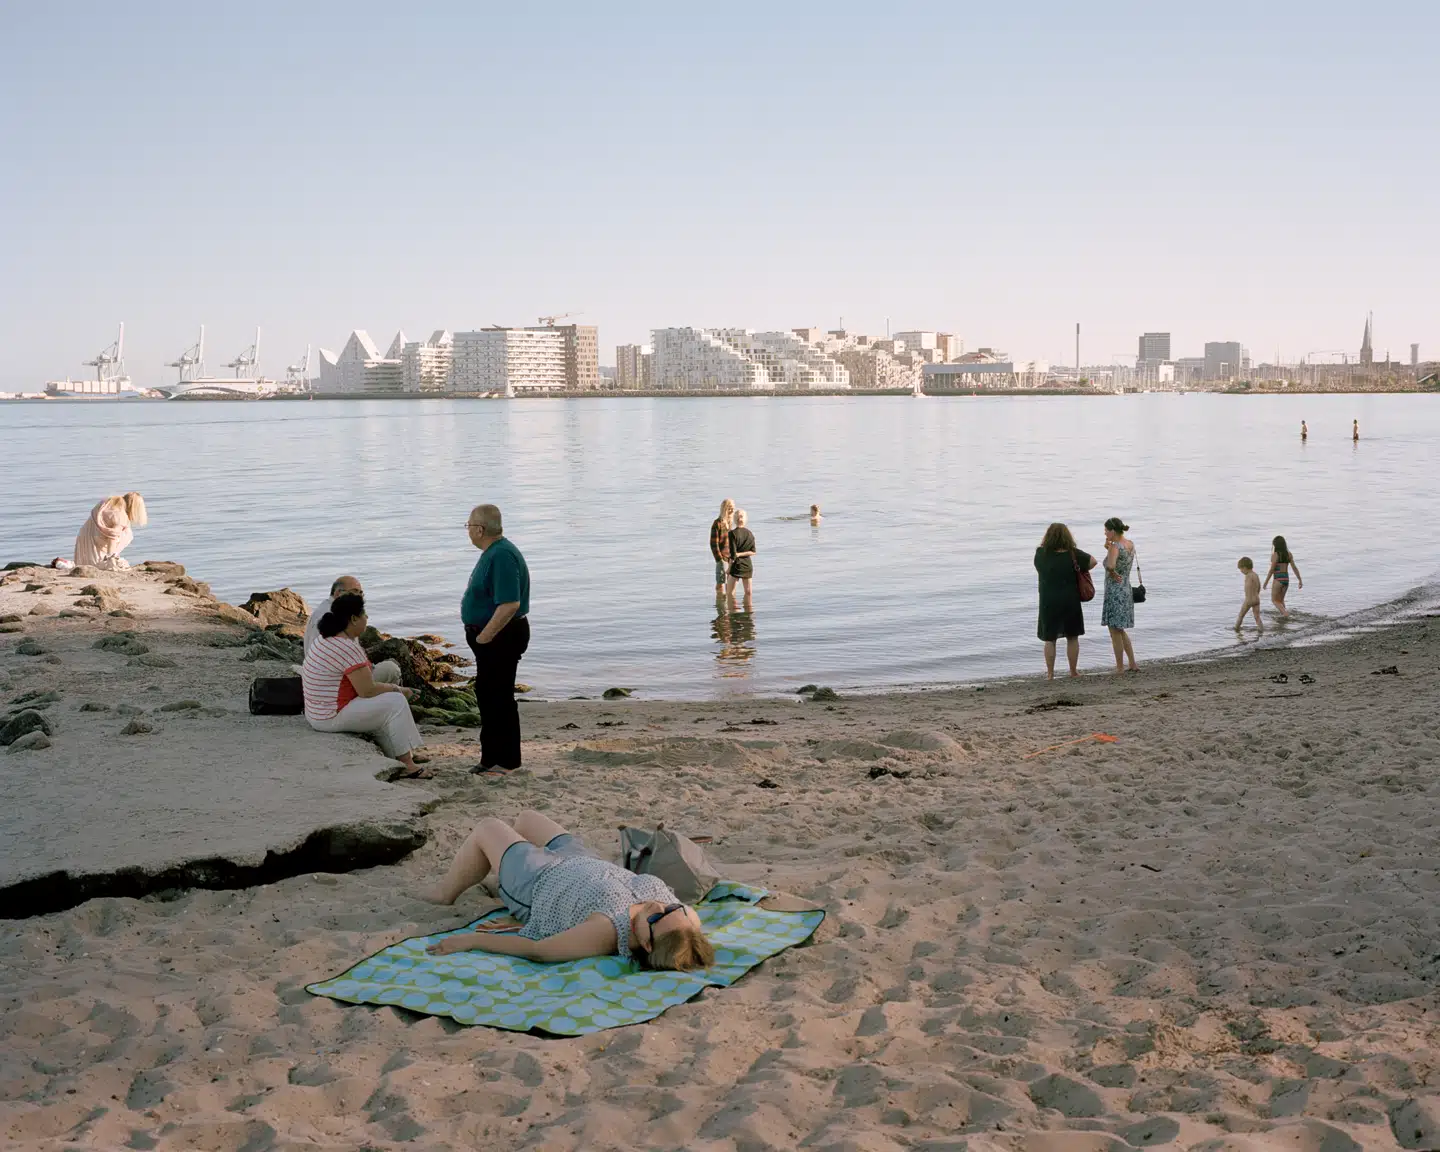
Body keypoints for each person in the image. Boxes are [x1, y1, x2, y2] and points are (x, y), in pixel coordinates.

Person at [419, 810, 715, 972]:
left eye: (657, 917)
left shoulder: (606, 931)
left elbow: (538, 952)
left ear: (647, 945)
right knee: (526, 818)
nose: (660, 905)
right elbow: (685, 934)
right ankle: (489, 869)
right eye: (674, 908)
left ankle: (446, 893)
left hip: (536, 879)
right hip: (581, 858)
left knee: (488, 827)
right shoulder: (683, 925)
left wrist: (470, 941)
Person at [301, 592, 430, 778]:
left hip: (317, 712)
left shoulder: (325, 638)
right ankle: (407, 765)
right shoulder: (346, 647)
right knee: (396, 702)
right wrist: (400, 690)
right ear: (353, 619)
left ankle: (400, 754)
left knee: (385, 706)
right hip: (330, 716)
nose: (367, 618)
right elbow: (367, 690)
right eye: (364, 614)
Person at [462, 504, 530, 776]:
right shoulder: (493, 552)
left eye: (468, 526)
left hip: (502, 636)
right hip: (493, 637)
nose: (467, 531)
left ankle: (506, 762)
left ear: (479, 529)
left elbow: (510, 603)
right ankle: (490, 758)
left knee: (498, 698)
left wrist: (484, 637)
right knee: (488, 696)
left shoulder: (501, 556)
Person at [303, 575, 400, 684]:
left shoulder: (325, 608)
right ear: (338, 593)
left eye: (361, 593)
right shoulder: (335, 617)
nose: (359, 597)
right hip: (336, 681)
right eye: (355, 592)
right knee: (393, 668)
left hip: (321, 673)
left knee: (389, 664)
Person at [1035, 523, 1097, 680]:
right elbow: (1093, 562)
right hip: (1070, 600)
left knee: (1050, 639)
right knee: (1072, 636)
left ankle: (1050, 674)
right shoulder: (1072, 554)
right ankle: (1073, 671)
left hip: (1048, 601)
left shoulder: (1040, 554)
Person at [1100, 517, 1138, 673]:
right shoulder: (1129, 544)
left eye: (1106, 530)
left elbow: (1111, 565)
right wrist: (1108, 549)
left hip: (1115, 590)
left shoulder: (1115, 546)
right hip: (1126, 588)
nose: (1104, 533)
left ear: (1112, 531)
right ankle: (1132, 663)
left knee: (1114, 630)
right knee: (1120, 629)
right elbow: (1121, 560)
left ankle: (1120, 667)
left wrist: (1112, 571)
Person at [74, 492, 147, 570]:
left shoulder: (108, 503)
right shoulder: (120, 517)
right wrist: (111, 557)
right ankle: (106, 558)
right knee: (127, 534)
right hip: (95, 543)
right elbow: (112, 537)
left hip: (85, 536)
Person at [1263, 535, 1302, 616]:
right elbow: (1294, 567)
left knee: (1274, 600)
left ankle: (1285, 615)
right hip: (1286, 580)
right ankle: (1283, 617)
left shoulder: (1275, 555)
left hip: (1278, 579)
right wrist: (1299, 580)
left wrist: (1265, 582)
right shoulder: (1289, 554)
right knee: (1281, 601)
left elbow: (1271, 570)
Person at [727, 508, 757, 607]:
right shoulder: (750, 533)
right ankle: (748, 617)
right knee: (748, 593)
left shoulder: (732, 534)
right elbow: (753, 552)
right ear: (745, 519)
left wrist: (728, 568)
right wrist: (742, 554)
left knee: (730, 593)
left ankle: (733, 616)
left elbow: (733, 554)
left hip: (736, 565)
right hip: (748, 565)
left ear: (735, 519)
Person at [709, 499, 735, 595]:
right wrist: (719, 559)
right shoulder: (717, 523)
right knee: (720, 583)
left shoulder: (730, 523)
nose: (731, 511)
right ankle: (720, 605)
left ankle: (728, 605)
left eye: (732, 509)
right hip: (722, 558)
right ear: (724, 509)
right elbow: (713, 544)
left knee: (730, 583)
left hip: (730, 558)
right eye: (729, 509)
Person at [1236, 558, 1264, 633]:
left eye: (1241, 569)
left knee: (1241, 615)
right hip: (1257, 599)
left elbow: (1247, 587)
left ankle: (1236, 629)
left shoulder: (1248, 576)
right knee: (1257, 617)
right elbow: (1259, 586)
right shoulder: (1255, 575)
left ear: (1245, 567)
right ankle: (1261, 630)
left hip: (1248, 600)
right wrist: (1256, 595)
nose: (1241, 571)